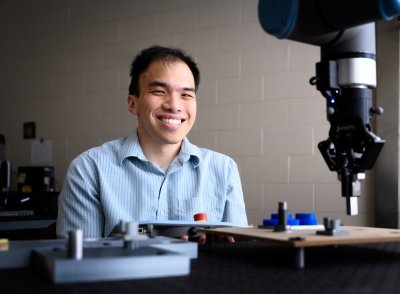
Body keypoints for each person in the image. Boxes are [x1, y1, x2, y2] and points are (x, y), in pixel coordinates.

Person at [56, 45, 248, 241]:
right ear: (133, 103)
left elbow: (241, 257)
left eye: (186, 94)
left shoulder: (224, 169)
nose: (174, 105)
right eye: (159, 91)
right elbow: (79, 261)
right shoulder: (88, 169)